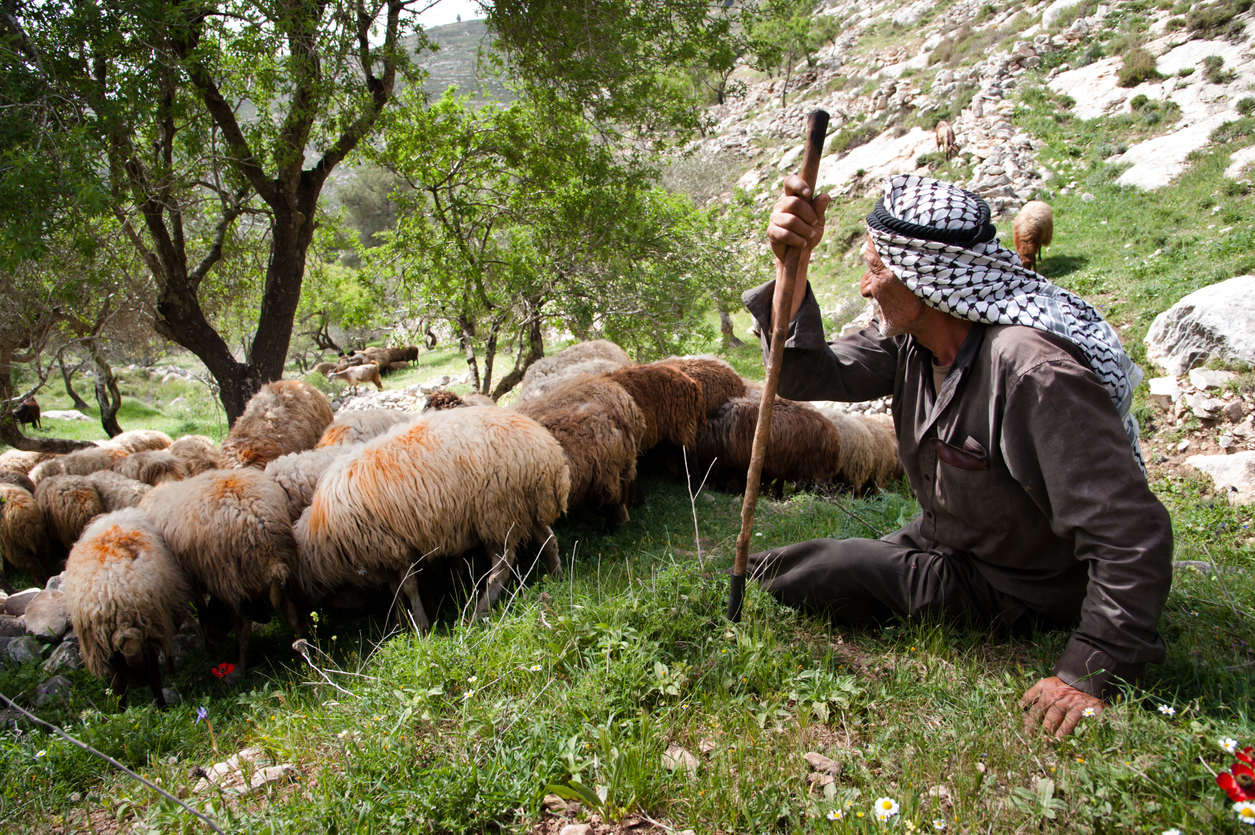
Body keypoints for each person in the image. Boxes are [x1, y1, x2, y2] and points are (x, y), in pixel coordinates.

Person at [744, 174, 1173, 738]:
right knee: (797, 561)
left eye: (876, 269)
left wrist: (1091, 668)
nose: (867, 288)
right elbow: (805, 372)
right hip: (952, 537)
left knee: (829, 570)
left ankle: (742, 585)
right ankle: (744, 579)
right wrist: (792, 269)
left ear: (924, 283)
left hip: (1019, 583)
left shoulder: (1030, 372)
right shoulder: (914, 341)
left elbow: (1131, 533)